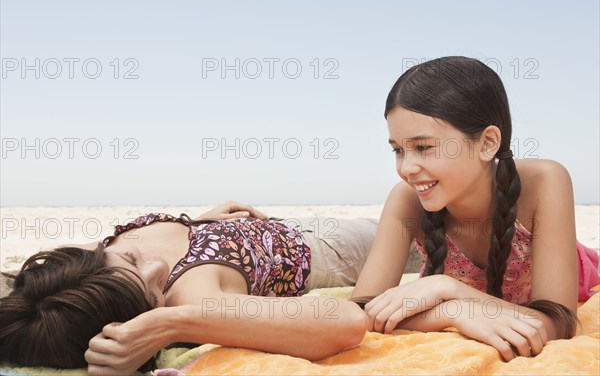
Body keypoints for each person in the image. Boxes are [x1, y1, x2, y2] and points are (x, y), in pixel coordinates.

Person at [351, 56, 600, 361]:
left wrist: (448, 288)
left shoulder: (545, 181)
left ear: (487, 143)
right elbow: (362, 311)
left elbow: (558, 322)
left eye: (424, 147)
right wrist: (454, 312)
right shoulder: (405, 200)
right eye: (398, 150)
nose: (407, 167)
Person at [1, 201, 378, 375]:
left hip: (280, 222)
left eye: (131, 258)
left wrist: (202, 223)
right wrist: (172, 323)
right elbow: (344, 320)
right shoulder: (193, 299)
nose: (158, 266)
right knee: (414, 223)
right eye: (154, 294)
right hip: (332, 249)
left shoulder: (78, 271)